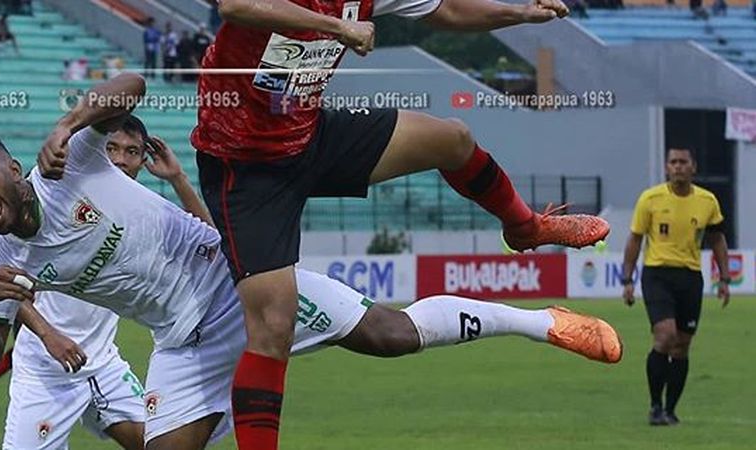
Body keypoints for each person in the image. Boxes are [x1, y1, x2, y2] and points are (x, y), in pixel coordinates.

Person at [0, 74, 621, 450]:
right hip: (182, 343)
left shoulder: (69, 164)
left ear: (9, 166)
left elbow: (131, 83)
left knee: (392, 336)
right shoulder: (4, 257)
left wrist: (66, 125)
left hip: (239, 285)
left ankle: (543, 324)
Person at [189, 1, 610, 448]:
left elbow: (446, 11)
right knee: (274, 327)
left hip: (308, 136)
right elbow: (235, 5)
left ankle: (525, 228)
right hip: (244, 165)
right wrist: (335, 26)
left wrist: (522, 13)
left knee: (452, 139)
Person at [0, 117, 198, 450]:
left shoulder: (139, 209)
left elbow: (209, 240)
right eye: (112, 148)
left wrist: (178, 178)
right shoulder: (64, 192)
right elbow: (11, 285)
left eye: (132, 151)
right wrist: (49, 335)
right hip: (47, 372)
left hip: (103, 363)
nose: (120, 158)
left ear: (142, 160)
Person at [621, 147, 730, 426]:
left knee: (682, 346)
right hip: (657, 274)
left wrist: (725, 279)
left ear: (693, 167)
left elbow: (717, 240)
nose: (678, 166)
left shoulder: (708, 201)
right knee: (665, 336)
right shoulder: (651, 198)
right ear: (666, 167)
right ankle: (655, 406)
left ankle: (670, 410)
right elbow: (635, 239)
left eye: (683, 162)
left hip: (690, 278)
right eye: (673, 162)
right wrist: (628, 279)